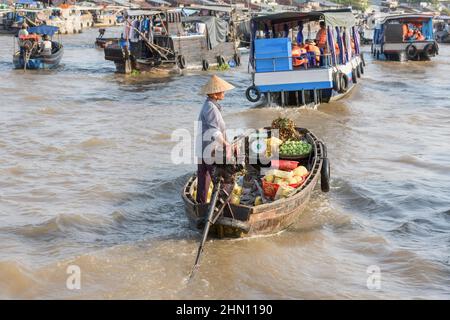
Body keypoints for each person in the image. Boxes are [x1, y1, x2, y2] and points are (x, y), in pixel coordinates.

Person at [196, 75, 235, 204]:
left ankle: (201, 206)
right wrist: (225, 144)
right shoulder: (211, 108)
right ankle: (222, 209)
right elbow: (214, 131)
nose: (224, 93)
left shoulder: (209, 105)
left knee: (203, 180)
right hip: (211, 150)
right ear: (215, 94)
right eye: (222, 91)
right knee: (221, 182)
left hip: (203, 150)